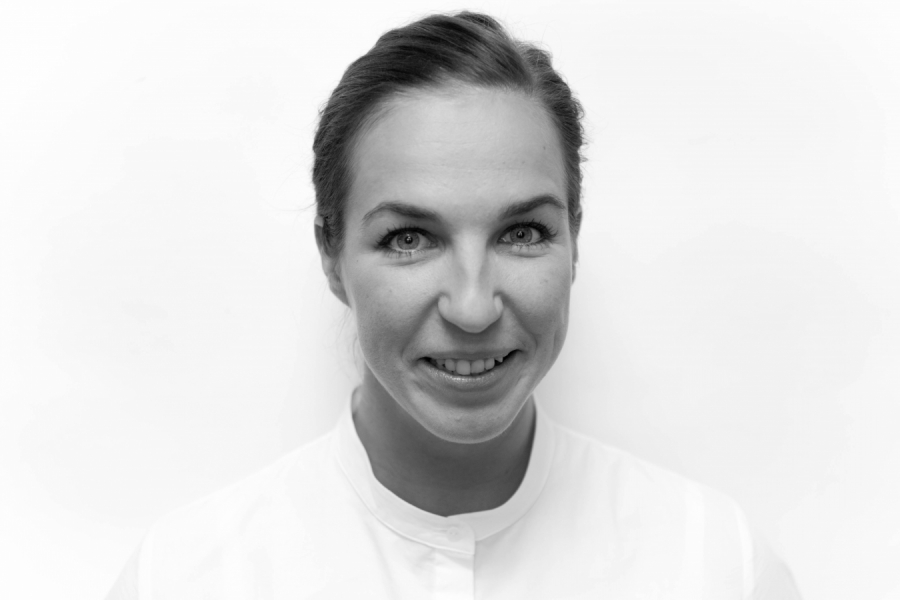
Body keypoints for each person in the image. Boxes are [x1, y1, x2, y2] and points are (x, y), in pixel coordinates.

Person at [106, 11, 802, 599]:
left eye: (522, 233)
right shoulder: (186, 577)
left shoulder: (713, 566)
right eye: (409, 238)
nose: (473, 308)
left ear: (574, 239)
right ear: (331, 254)